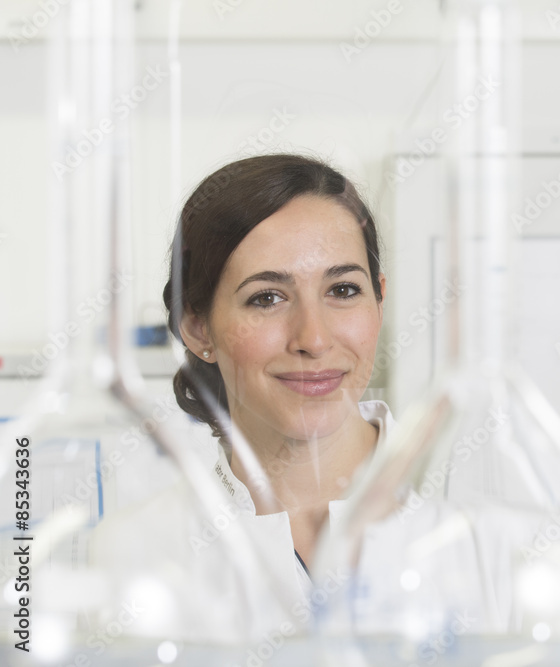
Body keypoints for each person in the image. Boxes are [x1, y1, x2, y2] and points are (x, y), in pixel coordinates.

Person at [89, 154, 396, 642]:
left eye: (342, 289)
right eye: (266, 297)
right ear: (197, 328)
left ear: (379, 300)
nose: (314, 339)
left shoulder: (484, 522)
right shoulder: (134, 551)